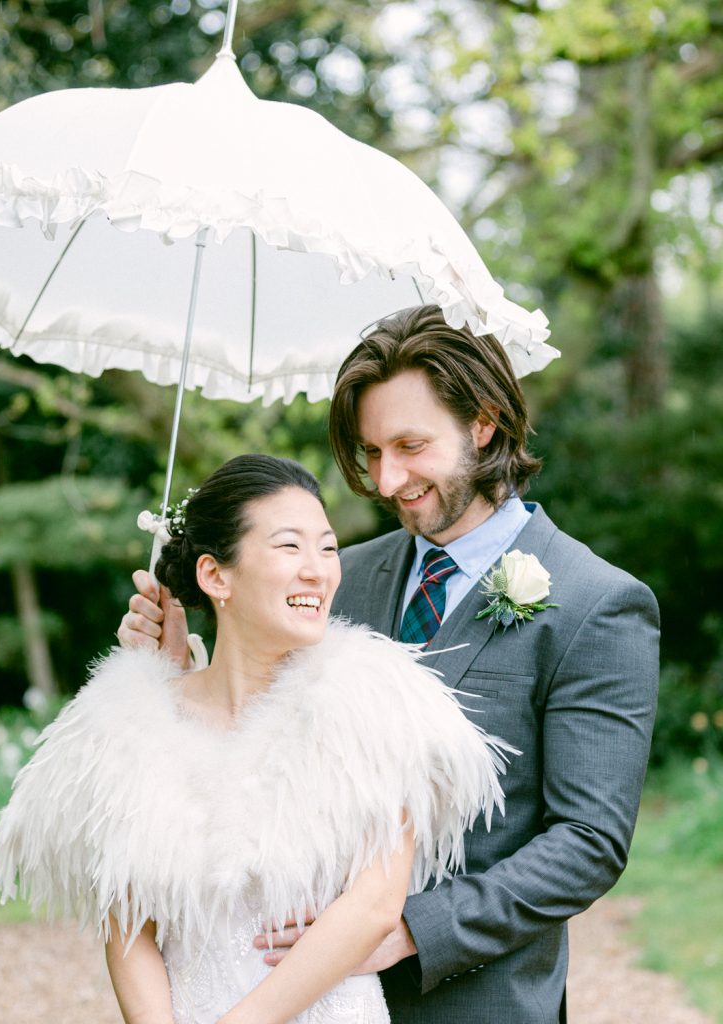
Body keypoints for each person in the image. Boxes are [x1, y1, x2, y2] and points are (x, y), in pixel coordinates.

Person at [119, 306, 660, 1024]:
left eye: (409, 445)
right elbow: (258, 732)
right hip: (298, 995)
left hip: (473, 1003)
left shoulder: (598, 603)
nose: (385, 479)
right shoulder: (341, 576)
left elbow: (587, 843)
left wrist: (407, 928)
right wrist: (175, 666)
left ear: (485, 423)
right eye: (372, 451)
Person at [0, 454, 510, 1024]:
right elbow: (129, 925)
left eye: (327, 548)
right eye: (290, 547)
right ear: (215, 575)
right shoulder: (138, 724)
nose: (318, 571)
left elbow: (374, 906)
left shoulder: (374, 705)